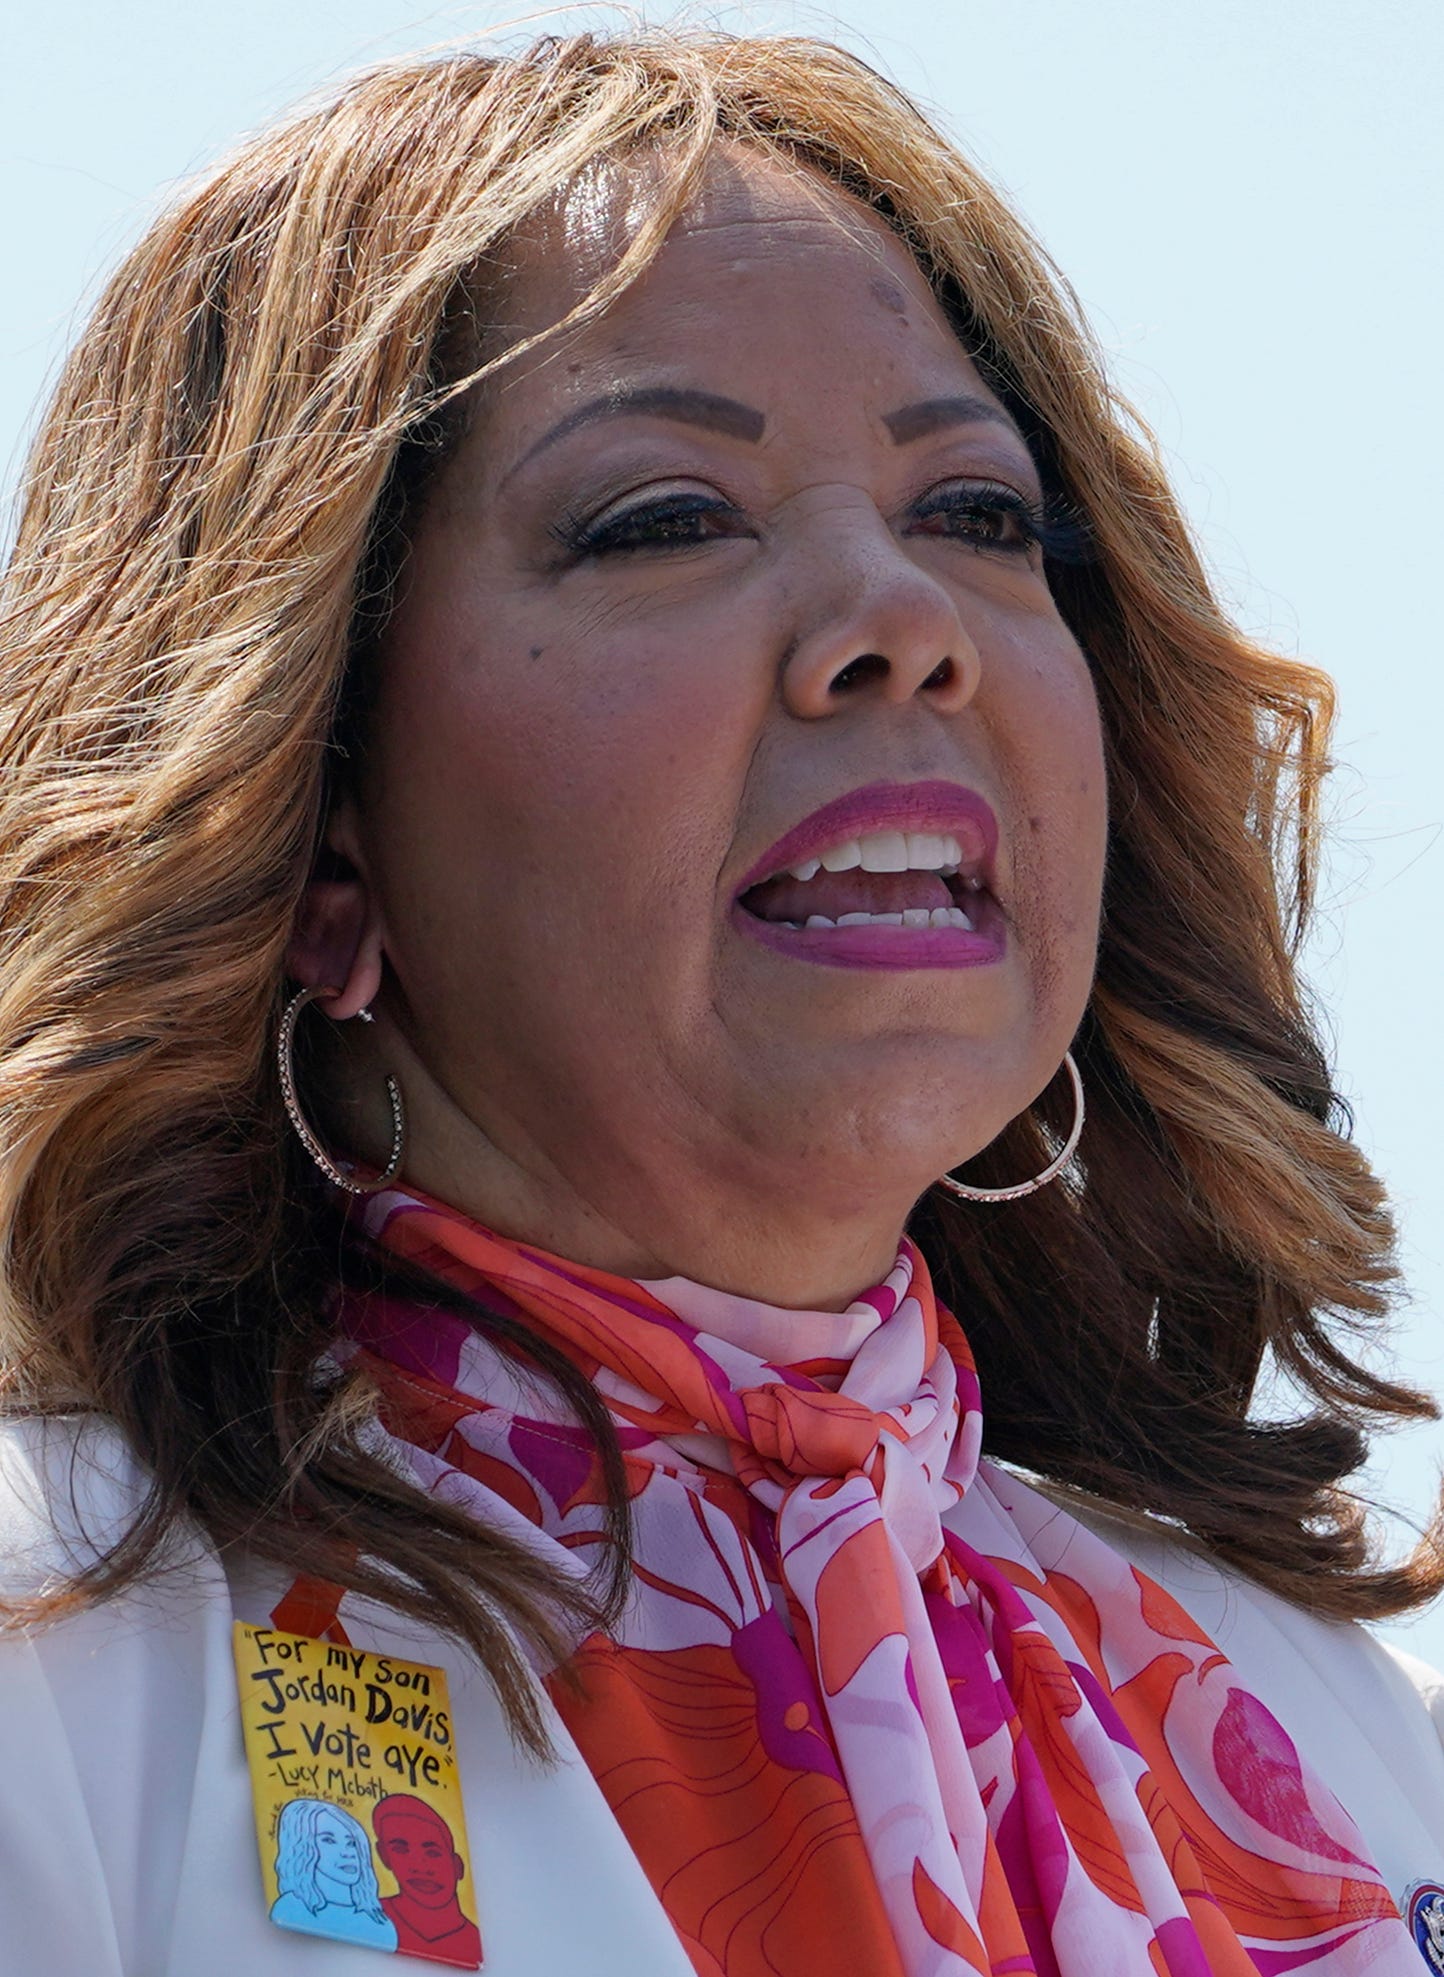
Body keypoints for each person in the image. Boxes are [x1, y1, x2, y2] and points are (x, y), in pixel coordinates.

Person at [0, 27, 1441, 1977]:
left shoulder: (1352, 1743)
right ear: (316, 812)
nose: (900, 620)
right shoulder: (52, 1649)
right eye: (663, 517)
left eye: (976, 516)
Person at [269, 1799, 398, 1951]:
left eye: (351, 1843)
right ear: (302, 1847)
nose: (347, 1853)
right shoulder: (290, 1908)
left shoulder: (380, 1922)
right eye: (329, 1840)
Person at [373, 1794, 482, 1965]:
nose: (418, 1866)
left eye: (433, 1853)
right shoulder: (369, 1916)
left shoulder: (470, 1940)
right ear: (384, 1856)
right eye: (400, 1850)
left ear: (458, 1866)